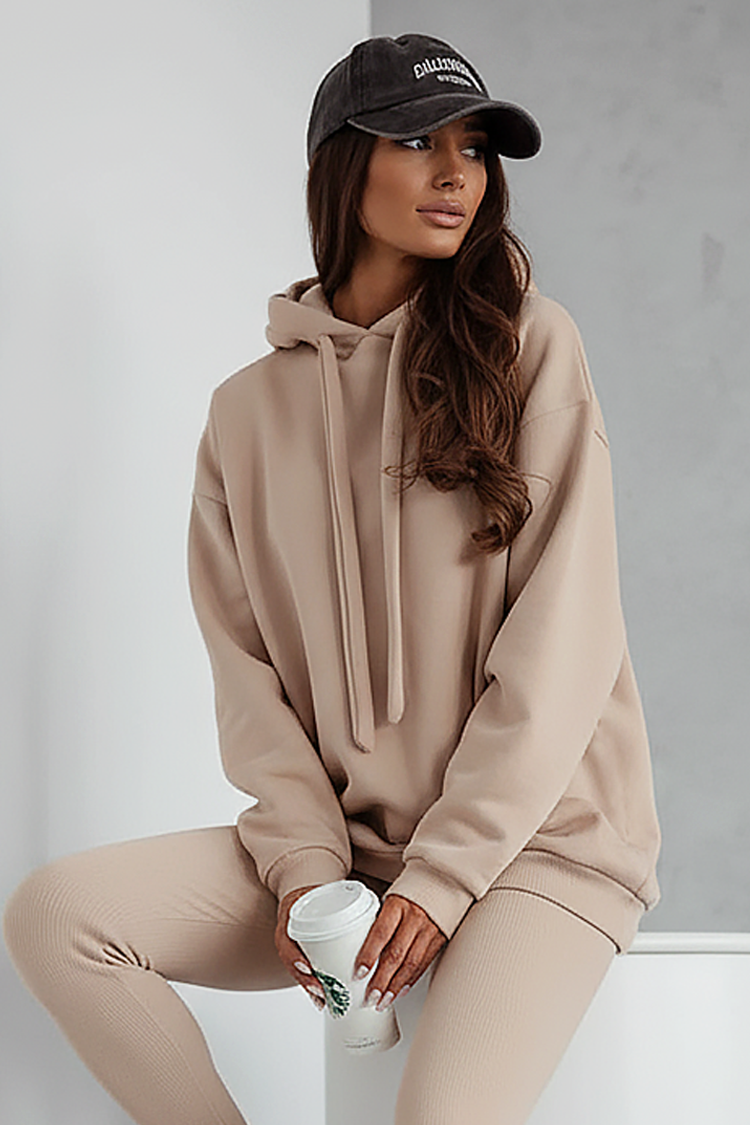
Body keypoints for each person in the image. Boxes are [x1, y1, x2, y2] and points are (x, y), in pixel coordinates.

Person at [3, 32, 662, 1125]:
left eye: (474, 148)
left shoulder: (529, 346)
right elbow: (248, 678)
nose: (456, 174)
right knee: (57, 915)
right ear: (341, 166)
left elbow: (566, 640)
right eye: (417, 142)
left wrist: (441, 876)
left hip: (539, 841)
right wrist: (309, 868)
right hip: (355, 850)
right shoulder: (245, 414)